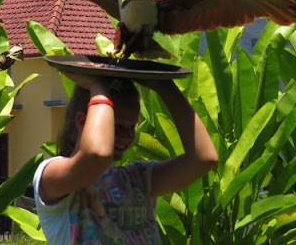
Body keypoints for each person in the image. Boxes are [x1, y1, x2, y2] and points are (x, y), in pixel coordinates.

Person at [32, 73, 219, 244]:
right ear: (82, 122)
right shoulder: (50, 174)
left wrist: (165, 86)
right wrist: (97, 84)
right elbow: (97, 155)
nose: (126, 136)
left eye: (131, 127)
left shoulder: (137, 179)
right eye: (116, 126)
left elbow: (204, 159)